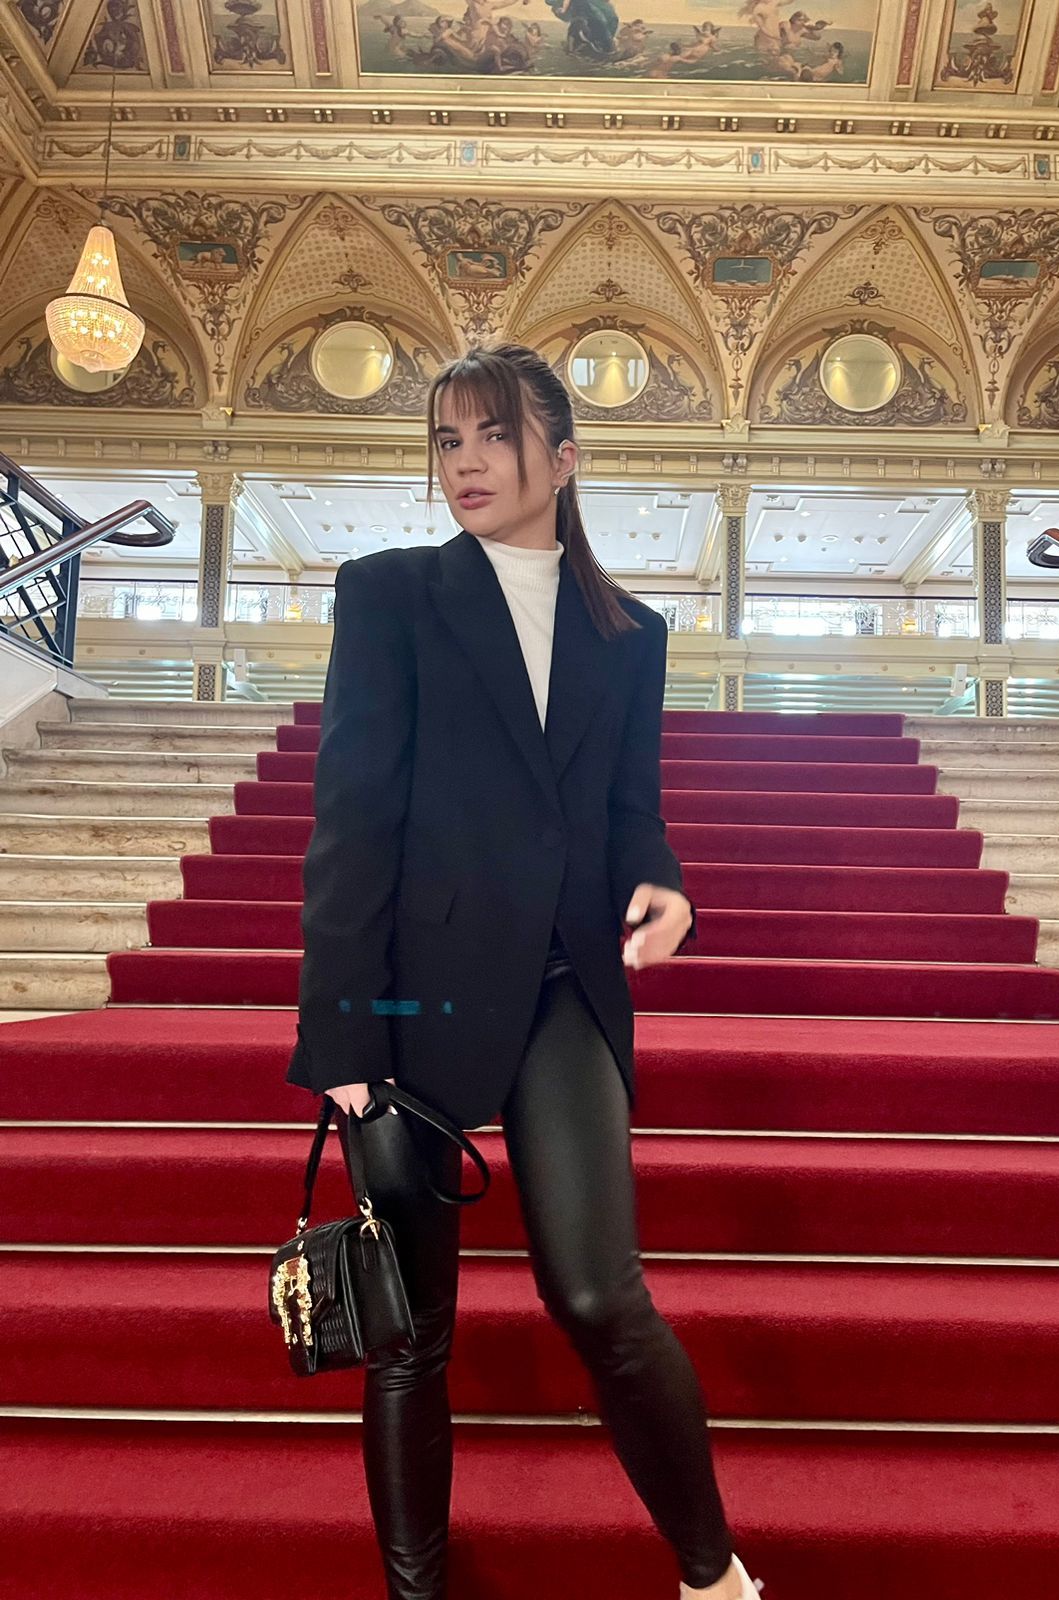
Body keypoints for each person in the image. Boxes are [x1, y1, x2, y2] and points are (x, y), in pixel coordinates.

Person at [284, 340, 761, 1600]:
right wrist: (344, 1031)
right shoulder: (391, 593)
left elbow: (627, 809)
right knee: (410, 1333)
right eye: (448, 440)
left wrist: (665, 882)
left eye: (494, 434)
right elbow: (351, 816)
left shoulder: (629, 632)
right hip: (409, 994)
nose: (468, 462)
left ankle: (714, 1575)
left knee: (600, 1295)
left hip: (562, 982)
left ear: (564, 455)